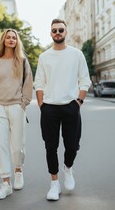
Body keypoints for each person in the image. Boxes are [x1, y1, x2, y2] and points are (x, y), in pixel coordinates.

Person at [35, 19, 91, 201]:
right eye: (54, 30)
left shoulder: (76, 54)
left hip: (71, 106)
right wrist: (42, 105)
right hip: (49, 108)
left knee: (72, 145)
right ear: (50, 33)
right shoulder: (44, 57)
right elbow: (39, 83)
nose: (57, 32)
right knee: (50, 147)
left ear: (66, 32)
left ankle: (68, 168)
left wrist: (79, 102)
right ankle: (54, 183)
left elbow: (85, 80)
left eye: (60, 30)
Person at [0, 29, 33, 199]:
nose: (11, 40)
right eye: (8, 37)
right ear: (3, 41)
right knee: (0, 145)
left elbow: (28, 84)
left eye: (14, 38)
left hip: (16, 107)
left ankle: (18, 170)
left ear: (17, 41)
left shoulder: (23, 62)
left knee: (17, 145)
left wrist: (23, 104)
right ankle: (6, 183)